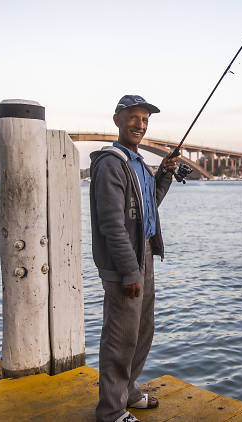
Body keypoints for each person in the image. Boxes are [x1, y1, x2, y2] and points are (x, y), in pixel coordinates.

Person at [90, 95, 178, 422]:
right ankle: (110, 411)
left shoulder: (138, 163)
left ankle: (128, 391)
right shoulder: (111, 163)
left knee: (143, 329)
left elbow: (149, 206)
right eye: (133, 118)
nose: (140, 125)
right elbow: (112, 224)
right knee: (120, 337)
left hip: (145, 256)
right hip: (124, 264)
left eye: (145, 120)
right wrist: (129, 272)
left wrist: (165, 175)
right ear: (117, 120)